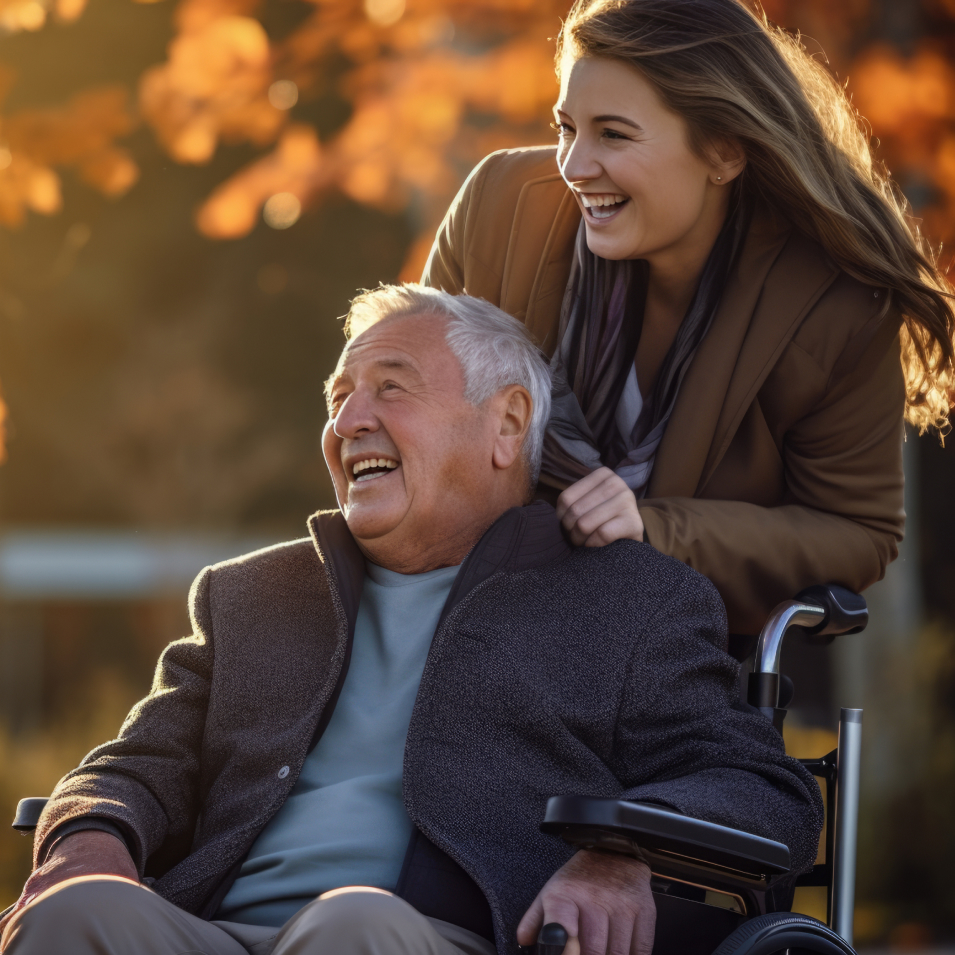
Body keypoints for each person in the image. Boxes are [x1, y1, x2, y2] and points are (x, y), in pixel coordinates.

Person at [1, 285, 823, 955]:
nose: (348, 420)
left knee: (351, 923)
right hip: (212, 929)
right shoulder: (249, 595)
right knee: (71, 914)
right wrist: (89, 838)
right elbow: (134, 762)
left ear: (505, 424)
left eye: (390, 387)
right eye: (339, 397)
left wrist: (622, 855)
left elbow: (763, 788)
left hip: (435, 934)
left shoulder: (627, 600)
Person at [422, 0, 955, 646]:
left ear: (724, 153)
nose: (574, 165)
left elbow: (854, 533)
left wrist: (657, 530)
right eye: (566, 127)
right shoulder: (496, 207)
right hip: (472, 632)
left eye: (613, 134)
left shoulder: (833, 305)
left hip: (670, 667)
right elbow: (409, 403)